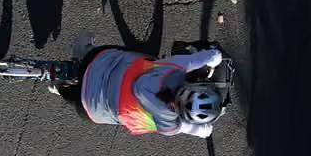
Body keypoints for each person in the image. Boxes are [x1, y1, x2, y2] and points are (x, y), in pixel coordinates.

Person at [54, 33, 226, 138]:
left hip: (97, 64)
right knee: (95, 106)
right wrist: (204, 131)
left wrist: (214, 57)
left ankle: (82, 52)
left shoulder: (173, 70)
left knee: (145, 58)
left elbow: (195, 60)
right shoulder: (170, 125)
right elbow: (189, 129)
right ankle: (58, 88)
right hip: (88, 107)